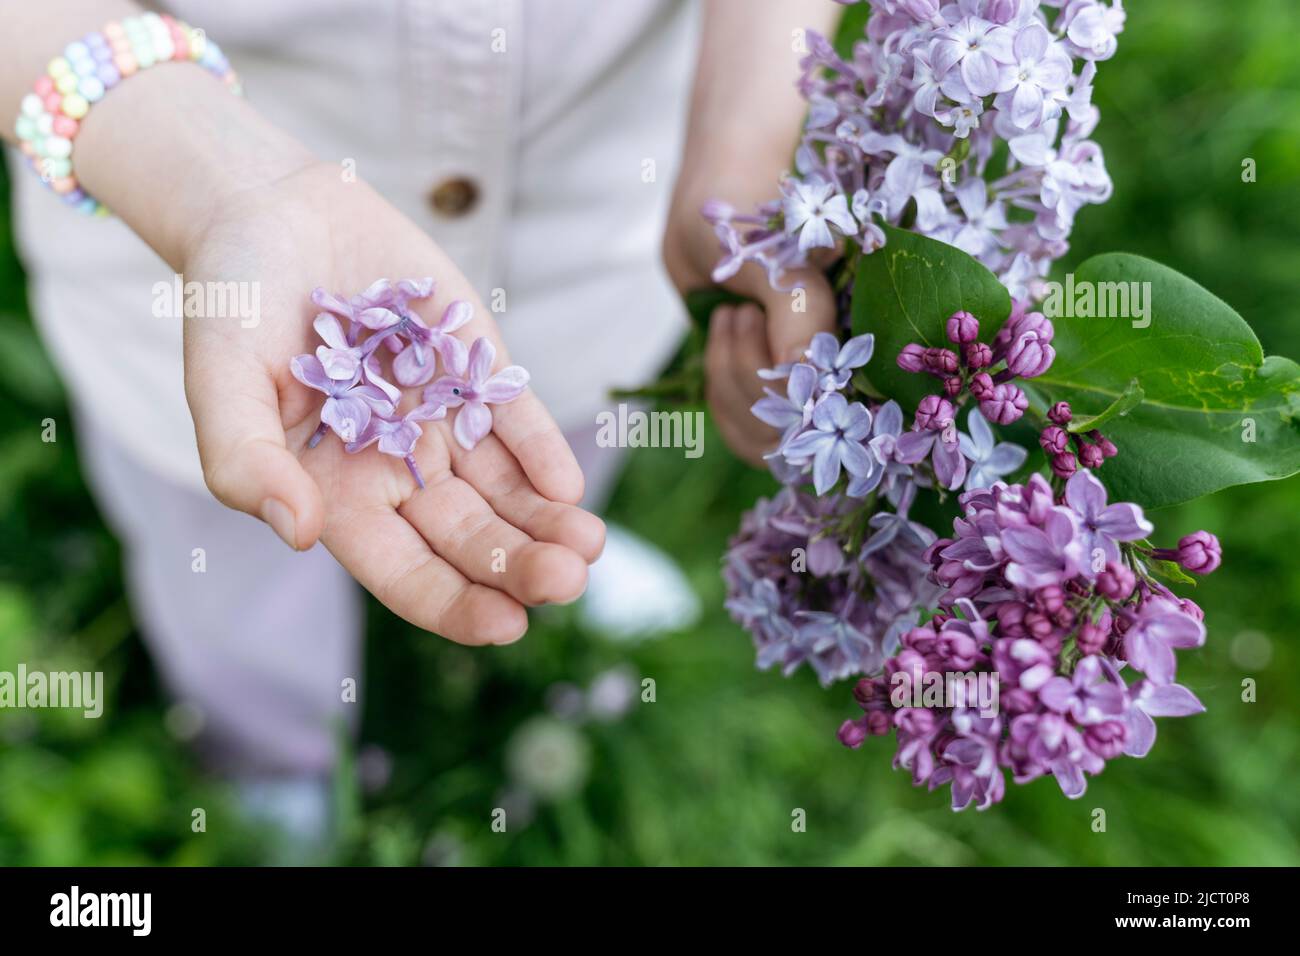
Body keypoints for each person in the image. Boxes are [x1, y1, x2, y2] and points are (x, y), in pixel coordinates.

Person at [1, 0, 838, 839]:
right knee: (236, 580)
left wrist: (747, 139)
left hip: (588, 246)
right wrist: (227, 188)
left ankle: (553, 586)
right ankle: (274, 756)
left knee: (549, 457)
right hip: (182, 254)